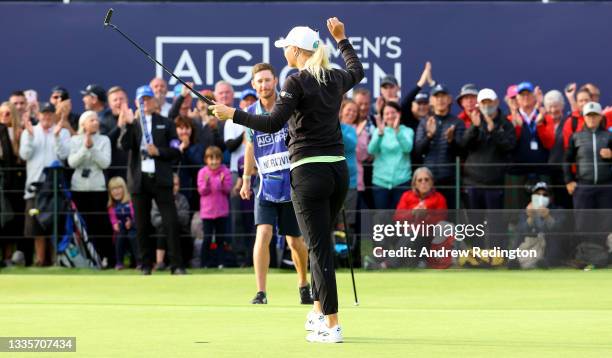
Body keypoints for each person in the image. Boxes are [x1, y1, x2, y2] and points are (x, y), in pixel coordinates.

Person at [211, 17, 363, 343]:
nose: (285, 53)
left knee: (319, 251)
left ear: (295, 50)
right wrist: (342, 38)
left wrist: (232, 114)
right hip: (338, 172)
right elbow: (357, 70)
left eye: (286, 49)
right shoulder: (334, 76)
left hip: (308, 173)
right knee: (319, 245)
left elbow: (272, 123)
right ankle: (319, 310)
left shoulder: (295, 81)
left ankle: (332, 325)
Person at [239, 62, 312, 305]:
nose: (264, 84)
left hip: (292, 185)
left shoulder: (288, 107)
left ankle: (303, 284)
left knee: (295, 240)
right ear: (253, 85)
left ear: (275, 82)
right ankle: (261, 292)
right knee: (263, 232)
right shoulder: (250, 112)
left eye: (267, 80)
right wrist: (246, 179)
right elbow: (250, 147)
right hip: (266, 186)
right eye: (259, 81)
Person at [117, 85, 185, 275]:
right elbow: (123, 145)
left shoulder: (166, 122)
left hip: (161, 179)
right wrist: (128, 125)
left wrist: (159, 151)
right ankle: (145, 265)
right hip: (139, 181)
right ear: (136, 102)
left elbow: (175, 150)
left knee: (170, 222)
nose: (145, 102)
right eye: (141, 99)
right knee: (142, 224)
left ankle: (177, 265)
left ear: (155, 102)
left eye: (148, 98)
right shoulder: (133, 123)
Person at [461, 89, 516, 250]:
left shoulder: (505, 124)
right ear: (479, 104)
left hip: (494, 183)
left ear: (496, 102)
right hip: (473, 182)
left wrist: (494, 132)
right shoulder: (475, 122)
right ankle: (476, 256)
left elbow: (509, 146)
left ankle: (495, 256)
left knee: (496, 224)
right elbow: (463, 146)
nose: (487, 106)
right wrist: (475, 128)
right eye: (483, 103)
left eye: (489, 102)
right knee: (474, 224)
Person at [19, 102, 71, 266]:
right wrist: (29, 136)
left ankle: (57, 261)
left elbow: (64, 155)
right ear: (39, 115)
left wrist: (56, 137)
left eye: (49, 113)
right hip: (35, 188)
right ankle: (41, 261)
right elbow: (25, 154)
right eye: (44, 113)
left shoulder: (62, 132)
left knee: (55, 225)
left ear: (54, 115)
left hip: (55, 189)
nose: (47, 116)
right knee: (37, 227)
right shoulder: (30, 131)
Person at [564, 102, 612, 257]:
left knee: (606, 223)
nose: (591, 118)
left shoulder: (608, 136)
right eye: (588, 116)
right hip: (583, 186)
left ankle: (603, 256)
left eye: (594, 115)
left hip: (606, 186)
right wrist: (569, 181)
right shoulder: (576, 137)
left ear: (600, 117)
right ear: (584, 118)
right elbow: (566, 160)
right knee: (583, 224)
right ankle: (585, 255)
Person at [68, 110, 113, 268]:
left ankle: (105, 257)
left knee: (100, 224)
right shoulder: (74, 140)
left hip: (97, 189)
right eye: (91, 120)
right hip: (78, 189)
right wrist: (84, 149)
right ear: (83, 124)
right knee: (82, 224)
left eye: (96, 120)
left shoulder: (104, 140)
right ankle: (86, 259)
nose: (96, 122)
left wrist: (92, 148)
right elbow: (72, 162)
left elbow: (105, 163)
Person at [414, 84, 465, 209]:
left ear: (449, 99)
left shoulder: (457, 122)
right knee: (428, 219)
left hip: (450, 179)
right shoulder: (425, 122)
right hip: (428, 182)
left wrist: (451, 140)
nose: (440, 100)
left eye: (443, 96)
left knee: (450, 220)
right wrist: (430, 135)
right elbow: (418, 150)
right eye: (437, 97)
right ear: (431, 100)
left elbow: (461, 152)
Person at [368, 101, 414, 209]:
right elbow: (371, 150)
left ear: (399, 114)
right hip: (380, 182)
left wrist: (397, 131)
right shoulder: (378, 131)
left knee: (401, 220)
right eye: (387, 113)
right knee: (382, 221)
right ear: (383, 116)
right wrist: (379, 134)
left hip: (402, 181)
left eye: (393, 112)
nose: (390, 116)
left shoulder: (407, 131)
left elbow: (407, 149)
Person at [197, 146, 232, 268]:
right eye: (211, 159)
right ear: (206, 160)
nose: (214, 161)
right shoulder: (202, 172)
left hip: (221, 212)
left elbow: (228, 190)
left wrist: (222, 183)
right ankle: (204, 263)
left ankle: (221, 263)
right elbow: (202, 191)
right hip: (207, 213)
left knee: (220, 239)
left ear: (220, 159)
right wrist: (206, 183)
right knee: (207, 239)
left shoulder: (225, 171)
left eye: (217, 158)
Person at [152, 174, 191, 270]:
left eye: (176, 184)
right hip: (161, 231)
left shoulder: (182, 199)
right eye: (171, 185)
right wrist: (170, 218)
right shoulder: (157, 200)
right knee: (164, 229)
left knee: (173, 228)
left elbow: (185, 219)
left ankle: (175, 262)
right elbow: (154, 220)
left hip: (179, 230)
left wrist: (171, 216)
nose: (174, 187)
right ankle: (160, 262)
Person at [107, 176, 139, 270]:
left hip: (132, 228)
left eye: (118, 188)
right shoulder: (111, 206)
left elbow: (136, 217)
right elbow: (113, 219)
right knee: (119, 237)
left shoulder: (131, 202)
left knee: (133, 236)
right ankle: (119, 262)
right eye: (113, 189)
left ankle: (139, 262)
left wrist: (131, 223)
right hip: (121, 230)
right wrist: (115, 224)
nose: (116, 191)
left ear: (124, 189)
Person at [175, 115, 204, 210]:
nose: (184, 131)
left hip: (193, 191)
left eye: (187, 128)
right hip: (175, 190)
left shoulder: (198, 146)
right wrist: (179, 150)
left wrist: (186, 148)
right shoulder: (171, 145)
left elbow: (198, 165)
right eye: (181, 128)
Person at [106, 86, 130, 180]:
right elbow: (105, 143)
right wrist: (119, 126)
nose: (119, 102)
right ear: (110, 104)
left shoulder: (135, 119)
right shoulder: (103, 120)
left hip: (132, 171)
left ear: (127, 100)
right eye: (115, 100)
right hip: (112, 173)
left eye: (121, 99)